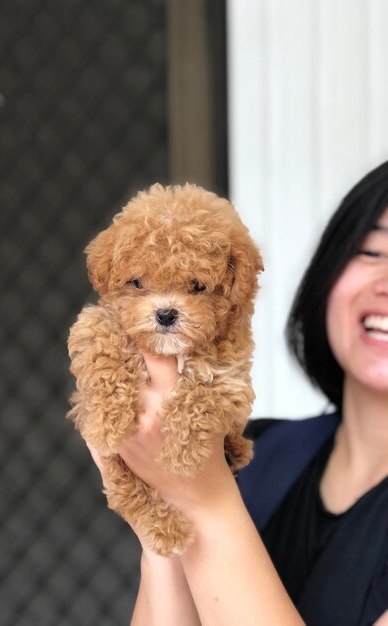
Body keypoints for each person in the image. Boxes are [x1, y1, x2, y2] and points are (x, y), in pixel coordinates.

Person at [87, 161, 388, 625]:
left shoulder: (213, 470)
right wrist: (158, 511)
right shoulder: (253, 452)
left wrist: (204, 499)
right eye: (372, 251)